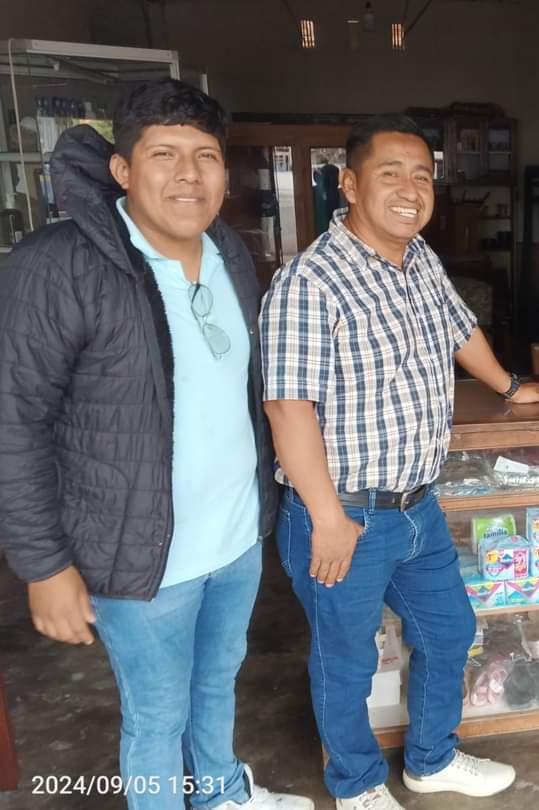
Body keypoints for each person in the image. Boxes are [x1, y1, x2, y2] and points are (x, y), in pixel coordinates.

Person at [0, 80, 311, 810]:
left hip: (234, 540)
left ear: (225, 173)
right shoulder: (58, 265)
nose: (187, 175)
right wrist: (44, 566)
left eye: (205, 156)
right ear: (122, 169)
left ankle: (221, 794)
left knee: (217, 683)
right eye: (163, 154)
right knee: (157, 716)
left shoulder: (230, 252)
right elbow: (14, 421)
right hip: (139, 558)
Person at [259, 113, 539, 810]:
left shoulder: (418, 258)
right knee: (346, 659)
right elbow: (287, 409)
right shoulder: (310, 281)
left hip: (418, 506)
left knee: (449, 633)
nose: (410, 189)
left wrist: (509, 386)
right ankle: (357, 785)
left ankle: (431, 759)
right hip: (344, 514)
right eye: (390, 173)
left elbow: (460, 329)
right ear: (349, 184)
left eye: (422, 176)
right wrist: (327, 518)